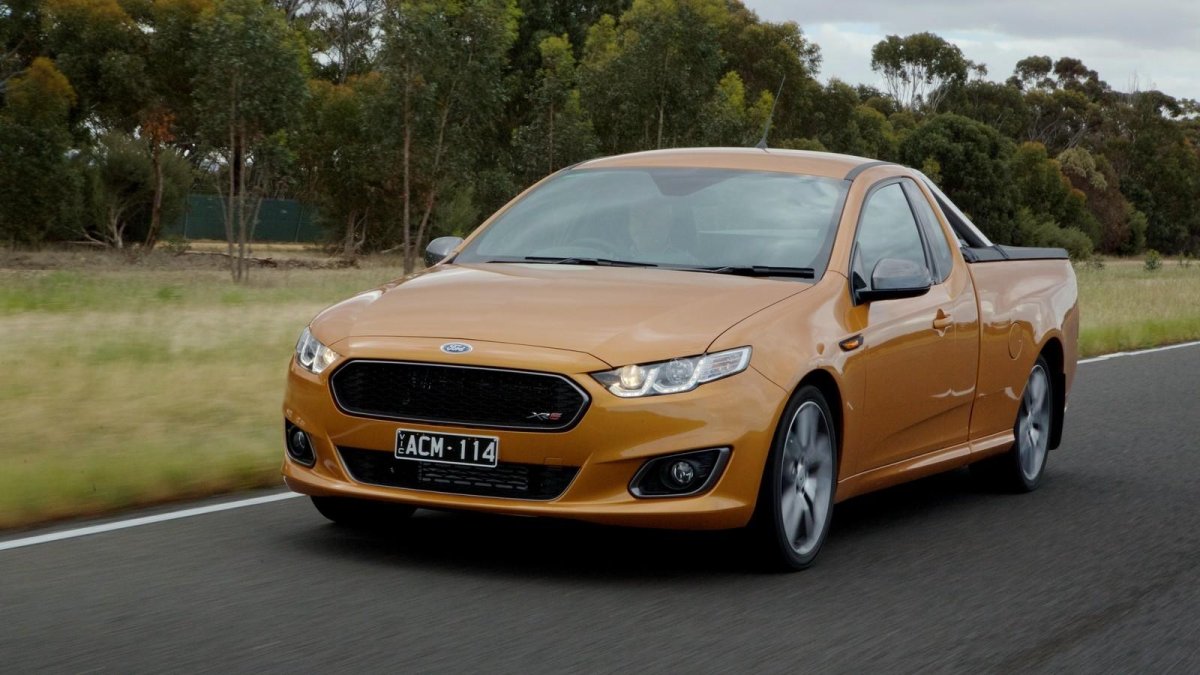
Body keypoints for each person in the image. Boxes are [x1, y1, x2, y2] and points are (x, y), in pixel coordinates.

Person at [627, 198, 701, 265]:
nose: (642, 223)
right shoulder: (617, 258)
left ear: (668, 224)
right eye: (636, 216)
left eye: (652, 216)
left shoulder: (689, 264)